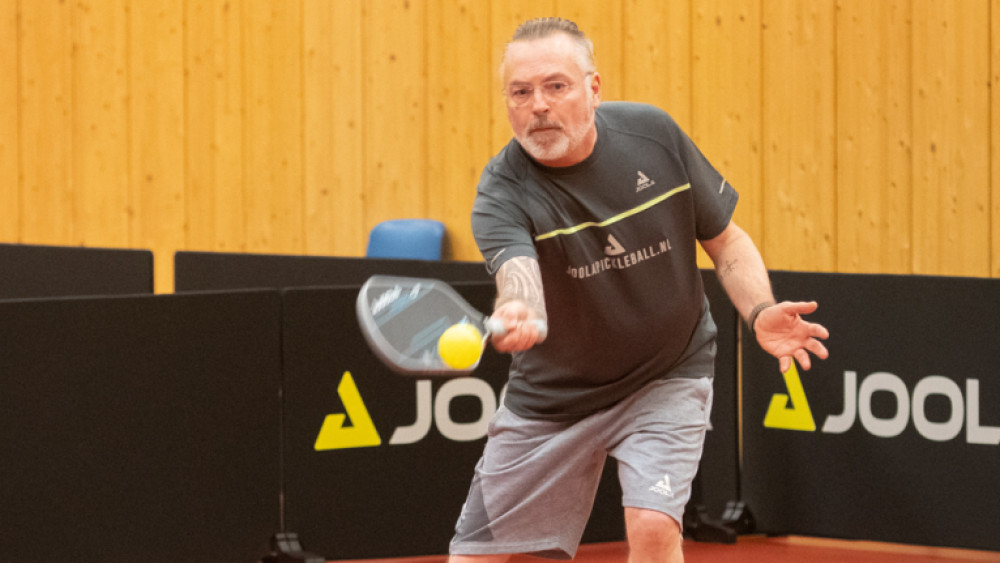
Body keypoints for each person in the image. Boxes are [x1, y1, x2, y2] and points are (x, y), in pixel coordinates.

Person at [449, 17, 829, 563]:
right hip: (554, 396)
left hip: (666, 373)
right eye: (521, 91)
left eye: (556, 86)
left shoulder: (654, 136)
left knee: (653, 527)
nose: (538, 105)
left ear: (593, 88)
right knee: (475, 557)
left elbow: (726, 241)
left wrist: (760, 310)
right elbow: (518, 278)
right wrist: (520, 311)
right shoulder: (501, 191)